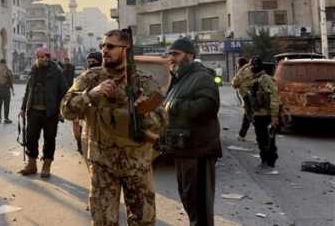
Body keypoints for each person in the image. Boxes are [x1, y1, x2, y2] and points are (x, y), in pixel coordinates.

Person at [61, 30, 168, 226]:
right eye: (103, 46)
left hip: (137, 164)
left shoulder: (143, 82)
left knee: (143, 221)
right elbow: (66, 110)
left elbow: (162, 122)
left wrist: (144, 111)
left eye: (110, 46)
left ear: (125, 50)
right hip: (102, 165)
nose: (104, 50)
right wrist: (90, 95)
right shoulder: (90, 78)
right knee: (103, 222)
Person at [162, 38, 221, 226]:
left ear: (189, 56)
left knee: (200, 205)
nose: (171, 58)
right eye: (170, 54)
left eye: (176, 54)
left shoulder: (201, 77)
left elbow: (208, 106)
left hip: (199, 151)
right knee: (190, 199)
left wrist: (173, 105)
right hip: (184, 149)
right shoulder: (180, 79)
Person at [19, 47, 68, 178]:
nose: (44, 59)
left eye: (47, 56)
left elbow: (65, 92)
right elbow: (28, 91)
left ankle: (46, 165)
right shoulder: (34, 70)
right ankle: (32, 164)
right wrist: (23, 108)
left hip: (50, 113)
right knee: (31, 138)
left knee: (49, 139)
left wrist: (62, 110)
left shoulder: (56, 72)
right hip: (33, 111)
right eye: (41, 57)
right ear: (37, 58)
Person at [248, 57, 280, 175]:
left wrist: (274, 116)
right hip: (258, 115)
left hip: (266, 115)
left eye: (252, 67)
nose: (250, 69)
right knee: (261, 140)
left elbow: (274, 97)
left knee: (268, 141)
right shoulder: (255, 79)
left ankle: (269, 163)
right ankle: (264, 161)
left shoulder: (265, 79)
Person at [72, 52, 103, 155]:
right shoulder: (83, 77)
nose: (91, 64)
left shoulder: (104, 76)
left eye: (94, 62)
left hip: (99, 115)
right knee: (79, 134)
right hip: (83, 113)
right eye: (89, 62)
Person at [232, 57, 254, 141]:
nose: (237, 66)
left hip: (246, 95)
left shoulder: (242, 71)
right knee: (247, 115)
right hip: (253, 95)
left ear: (240, 64)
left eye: (237, 64)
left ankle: (264, 135)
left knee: (250, 116)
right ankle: (242, 135)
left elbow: (235, 83)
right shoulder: (251, 69)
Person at [0, 59, 14, 124]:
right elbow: (12, 80)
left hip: (0, 89)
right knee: (6, 105)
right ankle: (6, 118)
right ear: (5, 63)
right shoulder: (8, 71)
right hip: (6, 90)